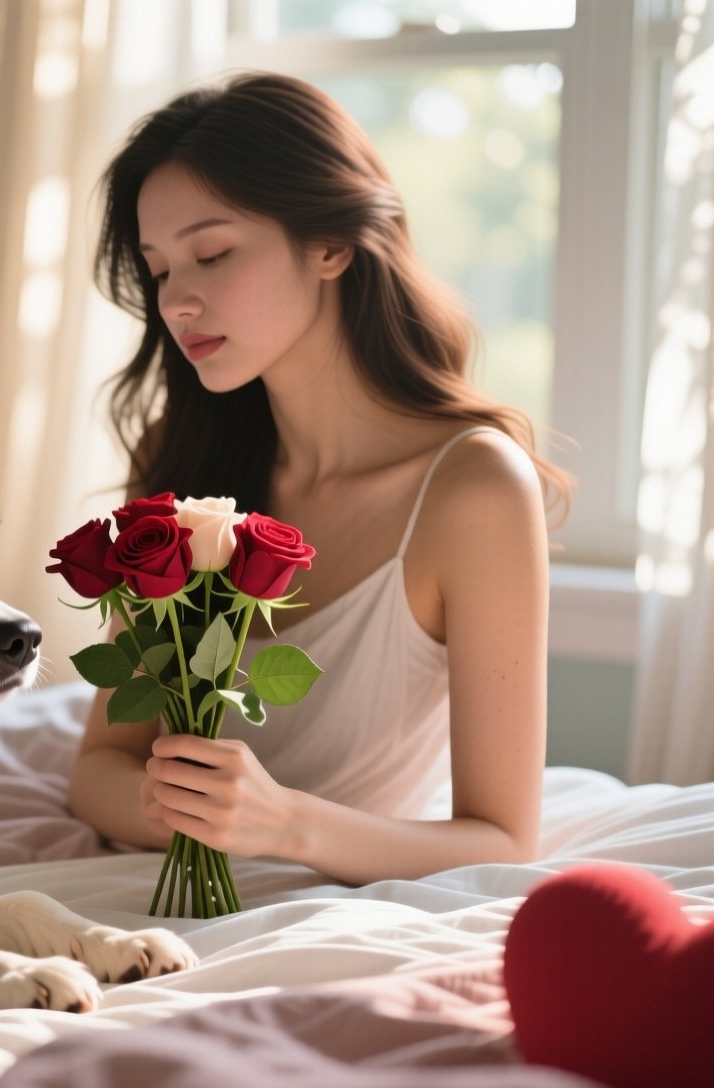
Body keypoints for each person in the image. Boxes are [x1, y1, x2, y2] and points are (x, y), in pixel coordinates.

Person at [65, 72, 577, 886]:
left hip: (329, 900)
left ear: (331, 245)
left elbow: (505, 842)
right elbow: (99, 766)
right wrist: (186, 811)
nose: (178, 302)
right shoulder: (184, 465)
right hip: (146, 887)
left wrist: (283, 823)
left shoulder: (475, 490)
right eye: (161, 270)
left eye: (212, 252)